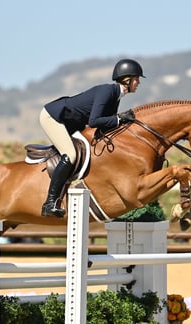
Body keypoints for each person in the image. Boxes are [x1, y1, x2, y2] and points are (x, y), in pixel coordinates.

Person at [39, 58, 145, 218]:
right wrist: (119, 119)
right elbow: (94, 121)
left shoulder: (115, 96)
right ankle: (50, 202)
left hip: (70, 123)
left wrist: (122, 121)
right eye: (137, 79)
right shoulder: (107, 92)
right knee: (71, 154)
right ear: (127, 79)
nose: (138, 83)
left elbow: (105, 124)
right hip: (53, 117)